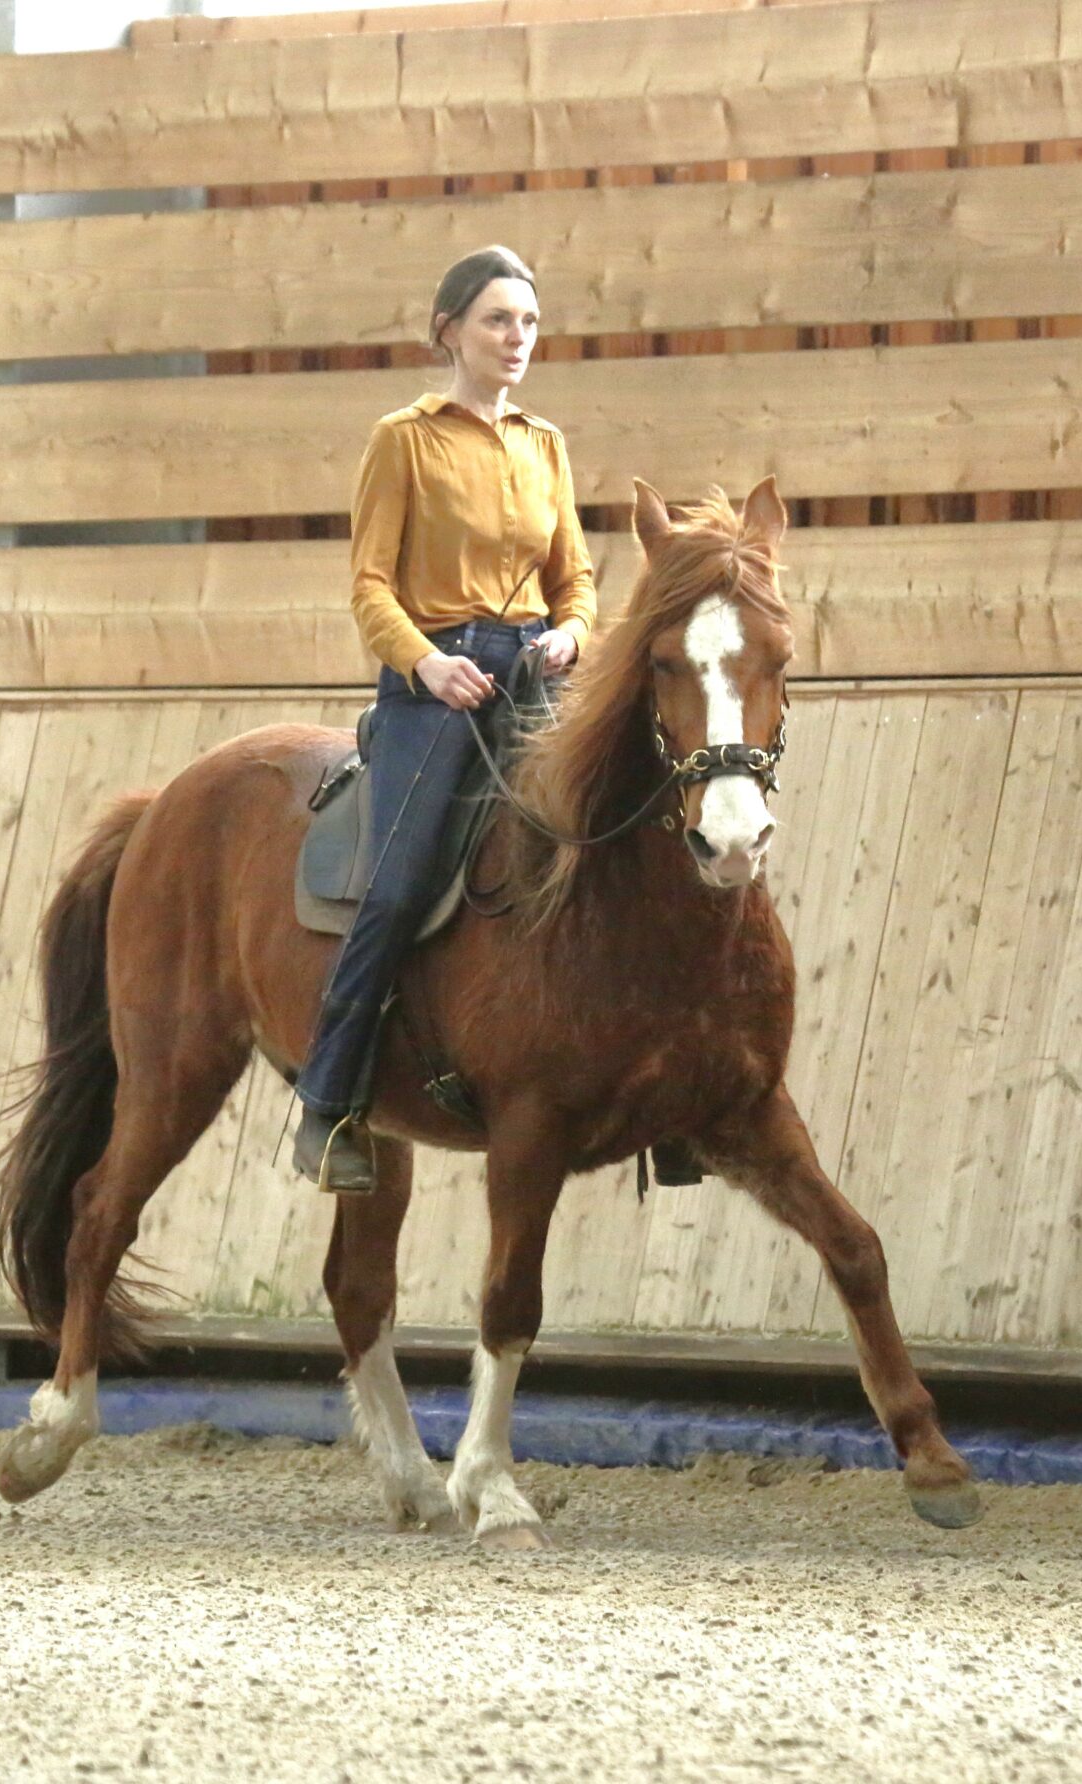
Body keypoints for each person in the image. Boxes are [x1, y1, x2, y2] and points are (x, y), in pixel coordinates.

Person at [291, 244, 597, 1192]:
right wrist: (427, 663)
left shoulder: (545, 444)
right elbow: (369, 588)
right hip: (438, 685)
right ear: (449, 331)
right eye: (498, 320)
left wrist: (574, 634)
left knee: (632, 838)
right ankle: (329, 1103)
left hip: (537, 675)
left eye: (530, 323)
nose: (518, 340)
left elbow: (576, 580)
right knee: (394, 888)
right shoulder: (405, 440)